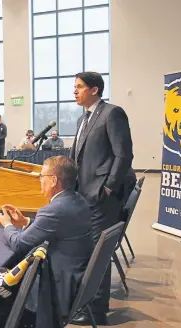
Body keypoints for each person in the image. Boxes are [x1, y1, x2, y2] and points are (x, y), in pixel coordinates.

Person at [0, 156, 94, 328]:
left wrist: (7, 225)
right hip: (79, 277)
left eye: (41, 177)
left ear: (53, 180)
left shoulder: (54, 210)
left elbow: (19, 245)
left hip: (60, 284)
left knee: (0, 287)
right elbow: (59, 231)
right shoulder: (78, 200)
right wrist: (25, 223)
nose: (39, 181)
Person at [69, 71, 135, 325]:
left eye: (79, 87)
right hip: (84, 194)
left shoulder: (112, 113)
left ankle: (95, 311)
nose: (75, 91)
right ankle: (93, 303)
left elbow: (124, 154)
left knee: (98, 254)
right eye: (74, 87)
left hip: (102, 197)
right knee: (91, 251)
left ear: (94, 89)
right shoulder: (83, 119)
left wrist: (108, 187)